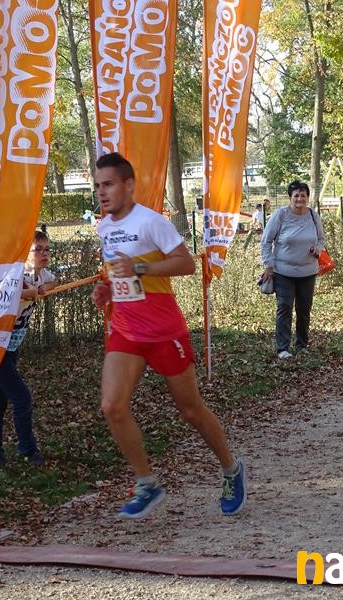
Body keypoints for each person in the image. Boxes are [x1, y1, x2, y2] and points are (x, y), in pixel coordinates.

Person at [90, 152, 247, 519]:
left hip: (163, 330)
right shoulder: (104, 227)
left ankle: (231, 469)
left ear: (129, 185)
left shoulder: (151, 222)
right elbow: (119, 273)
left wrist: (139, 267)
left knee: (190, 409)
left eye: (108, 184)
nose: (102, 192)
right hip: (127, 329)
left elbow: (186, 264)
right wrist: (108, 289)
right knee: (112, 406)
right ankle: (146, 483)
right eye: (98, 186)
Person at [0, 231, 58, 468]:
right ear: (25, 254)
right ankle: (28, 450)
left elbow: (54, 281)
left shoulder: (40, 274)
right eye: (38, 250)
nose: (44, 254)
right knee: (22, 397)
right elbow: (0, 295)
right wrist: (28, 293)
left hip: (12, 345)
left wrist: (43, 287)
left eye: (47, 249)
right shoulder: (15, 274)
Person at [259, 180, 325, 360]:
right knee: (285, 307)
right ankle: (283, 348)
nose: (300, 199)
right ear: (290, 197)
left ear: (307, 197)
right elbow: (266, 241)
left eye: (303, 195)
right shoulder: (280, 215)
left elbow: (321, 239)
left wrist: (318, 249)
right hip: (283, 271)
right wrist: (268, 265)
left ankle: (302, 345)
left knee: (304, 310)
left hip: (308, 272)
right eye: (296, 195)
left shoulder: (313, 216)